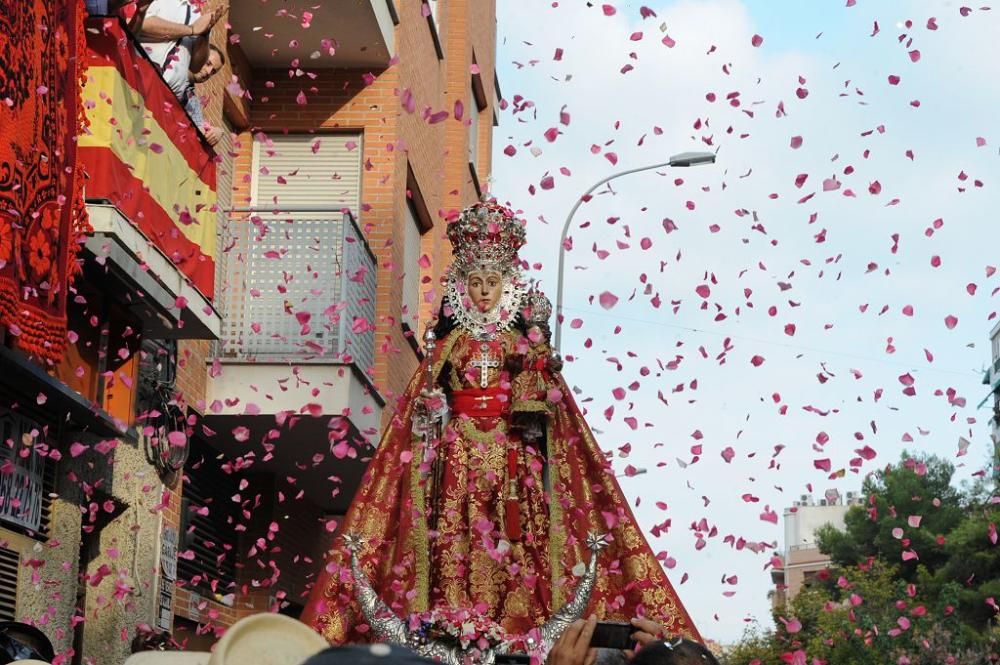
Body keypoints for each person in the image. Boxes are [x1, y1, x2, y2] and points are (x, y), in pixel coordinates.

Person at [302, 200, 700, 645]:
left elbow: (551, 415)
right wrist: (432, 412)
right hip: (458, 456)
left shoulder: (521, 345)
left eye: (492, 282)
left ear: (507, 285)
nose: (484, 292)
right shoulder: (449, 346)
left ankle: (517, 618)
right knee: (455, 532)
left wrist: (535, 390)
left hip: (514, 460)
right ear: (462, 287)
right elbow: (422, 408)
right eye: (475, 282)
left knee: (519, 535)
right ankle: (454, 616)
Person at [139, 0, 226, 145]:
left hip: (162, 106)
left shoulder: (194, 12)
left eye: (213, 72)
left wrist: (204, 33)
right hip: (140, 84)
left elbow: (195, 65)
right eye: (209, 64)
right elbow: (142, 24)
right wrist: (191, 30)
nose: (208, 72)